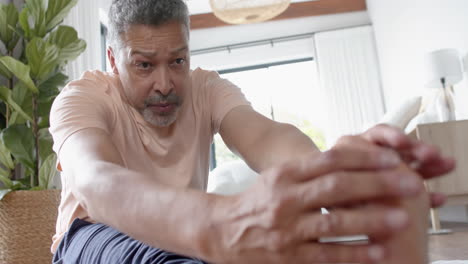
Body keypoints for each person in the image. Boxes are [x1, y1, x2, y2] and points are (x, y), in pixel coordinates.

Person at [49, 0, 454, 263]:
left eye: (177, 61)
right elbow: (96, 179)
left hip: (180, 233)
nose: (165, 83)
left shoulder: (207, 88)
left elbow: (264, 137)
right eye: (143, 65)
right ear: (112, 58)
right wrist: (214, 222)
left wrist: (333, 173)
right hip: (92, 232)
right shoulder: (81, 98)